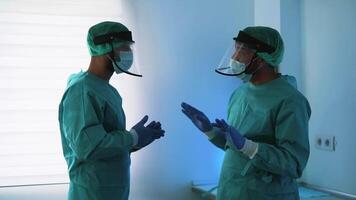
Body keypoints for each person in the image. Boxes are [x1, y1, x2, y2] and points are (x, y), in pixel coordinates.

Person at [181, 26, 311, 200]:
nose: (234, 57)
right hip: (231, 189)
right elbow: (236, 147)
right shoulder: (240, 94)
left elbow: (293, 163)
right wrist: (210, 131)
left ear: (262, 58)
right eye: (236, 48)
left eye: (243, 51)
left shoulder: (290, 100)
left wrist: (247, 145)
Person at [58, 21, 165, 200]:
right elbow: (89, 147)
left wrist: (136, 141)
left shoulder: (105, 89)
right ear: (103, 48)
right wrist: (132, 137)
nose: (128, 54)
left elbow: (106, 146)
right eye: (124, 48)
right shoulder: (82, 90)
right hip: (91, 193)